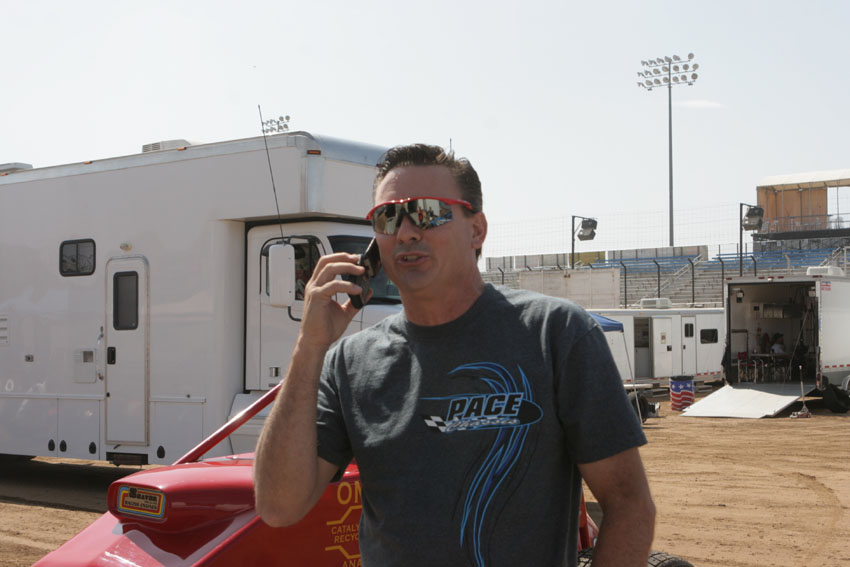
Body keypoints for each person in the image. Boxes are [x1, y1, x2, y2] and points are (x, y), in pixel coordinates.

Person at [254, 144, 655, 567]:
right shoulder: (350, 364)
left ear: (476, 230)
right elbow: (279, 506)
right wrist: (309, 347)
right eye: (388, 217)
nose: (406, 232)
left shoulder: (555, 334)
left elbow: (629, 504)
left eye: (427, 212)